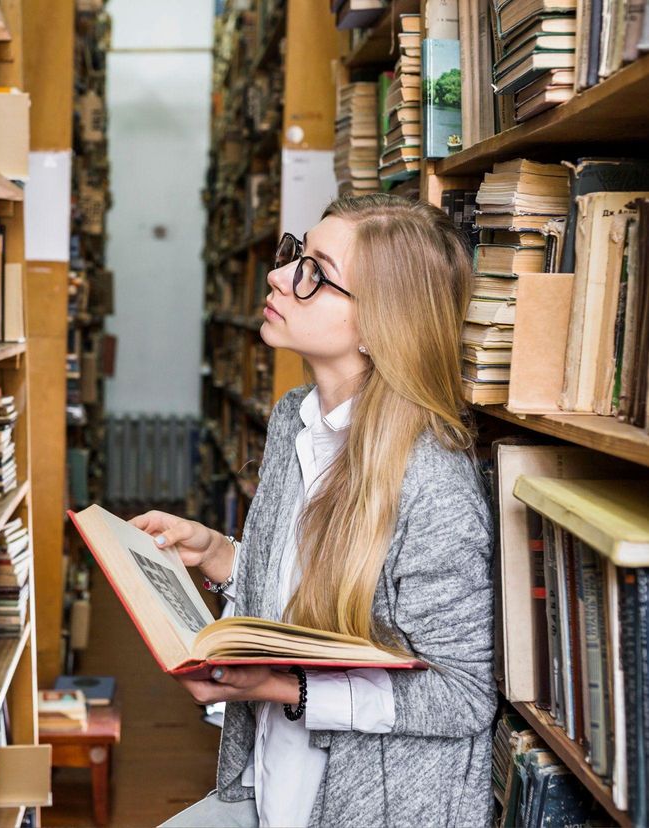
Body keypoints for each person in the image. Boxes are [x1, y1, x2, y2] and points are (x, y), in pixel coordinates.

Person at [132, 193, 497, 828]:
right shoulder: (293, 421)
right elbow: (312, 597)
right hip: (271, 786)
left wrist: (279, 688)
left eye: (314, 272)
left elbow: (463, 696)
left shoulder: (434, 483)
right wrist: (217, 554)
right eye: (293, 254)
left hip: (370, 808)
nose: (277, 276)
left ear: (381, 322)